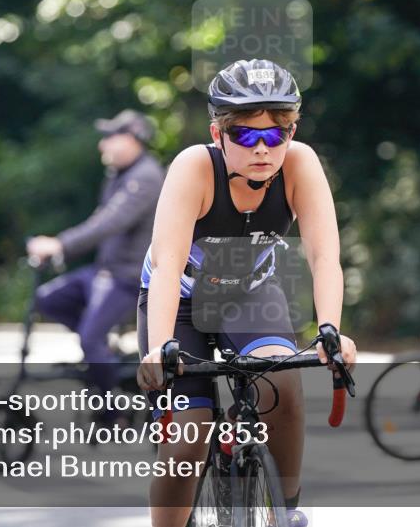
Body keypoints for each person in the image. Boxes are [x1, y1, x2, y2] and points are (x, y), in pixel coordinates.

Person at [135, 59, 357, 527]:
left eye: (276, 135)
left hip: (249, 294)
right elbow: (169, 266)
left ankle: (285, 510)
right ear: (218, 135)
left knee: (283, 387)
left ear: (292, 132)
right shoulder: (194, 168)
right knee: (187, 440)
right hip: (180, 300)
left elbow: (324, 256)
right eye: (244, 135)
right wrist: (159, 348)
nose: (262, 148)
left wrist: (331, 330)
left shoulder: (300, 164)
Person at [27, 109, 164, 403]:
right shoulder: (119, 175)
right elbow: (100, 221)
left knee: (89, 339)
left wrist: (60, 244)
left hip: (127, 278)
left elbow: (110, 222)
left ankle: (113, 412)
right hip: (104, 272)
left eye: (110, 137)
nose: (102, 144)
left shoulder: (146, 177)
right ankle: (105, 356)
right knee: (48, 299)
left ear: (131, 139)